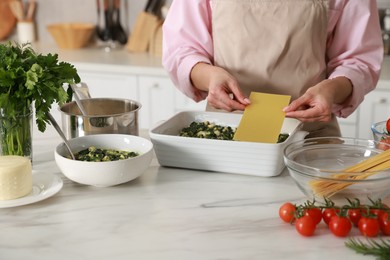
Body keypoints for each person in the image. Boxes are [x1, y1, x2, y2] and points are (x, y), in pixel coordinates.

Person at [162, 0, 384, 138]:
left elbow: (359, 60)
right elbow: (182, 50)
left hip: (308, 140)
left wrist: (331, 90)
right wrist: (210, 77)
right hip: (224, 134)